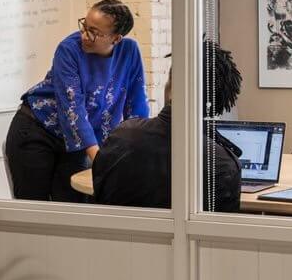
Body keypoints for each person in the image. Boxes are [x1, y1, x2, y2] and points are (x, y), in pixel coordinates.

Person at [5, 0, 150, 202]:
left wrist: (136, 150)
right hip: (38, 130)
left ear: (116, 39)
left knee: (73, 208)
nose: (85, 35)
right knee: (35, 208)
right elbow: (72, 109)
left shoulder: (129, 51)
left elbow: (137, 106)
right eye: (85, 26)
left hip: (75, 141)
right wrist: (101, 163)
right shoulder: (69, 49)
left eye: (94, 32)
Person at [92, 40, 244, 212]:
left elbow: (100, 199)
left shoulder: (120, 136)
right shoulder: (223, 163)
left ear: (172, 86)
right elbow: (219, 233)